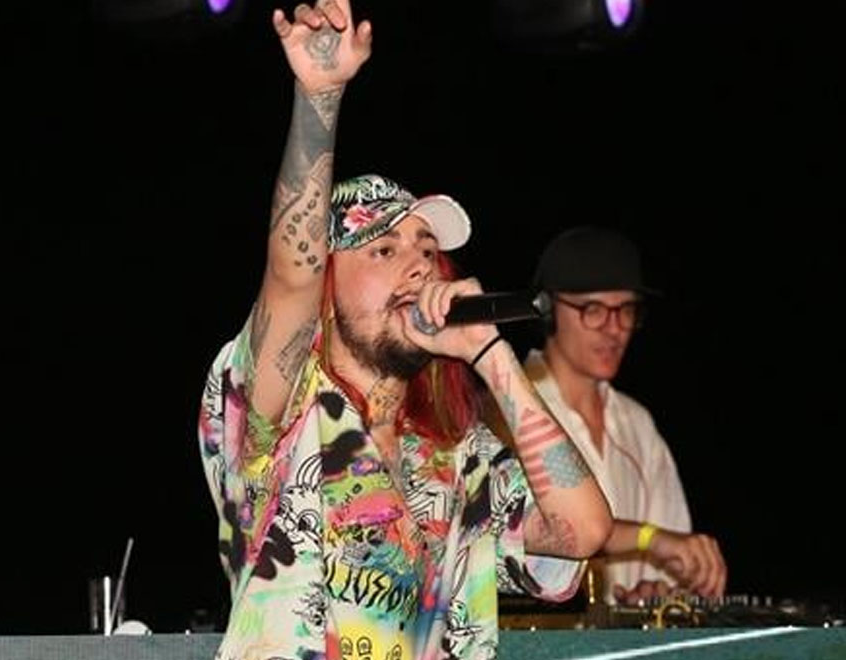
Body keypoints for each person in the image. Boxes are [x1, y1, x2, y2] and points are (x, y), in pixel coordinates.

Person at [197, 2, 613, 659]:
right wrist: (319, 98)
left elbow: (584, 530)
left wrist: (491, 354)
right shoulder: (280, 414)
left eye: (426, 250)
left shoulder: (457, 456)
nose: (419, 265)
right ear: (329, 285)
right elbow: (292, 275)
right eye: (383, 250)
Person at [522, 226, 727, 605]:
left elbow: (671, 557)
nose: (615, 329)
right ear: (547, 310)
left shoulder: (638, 425)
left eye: (626, 310)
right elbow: (521, 533)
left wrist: (659, 592)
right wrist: (650, 538)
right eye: (594, 310)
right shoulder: (509, 414)